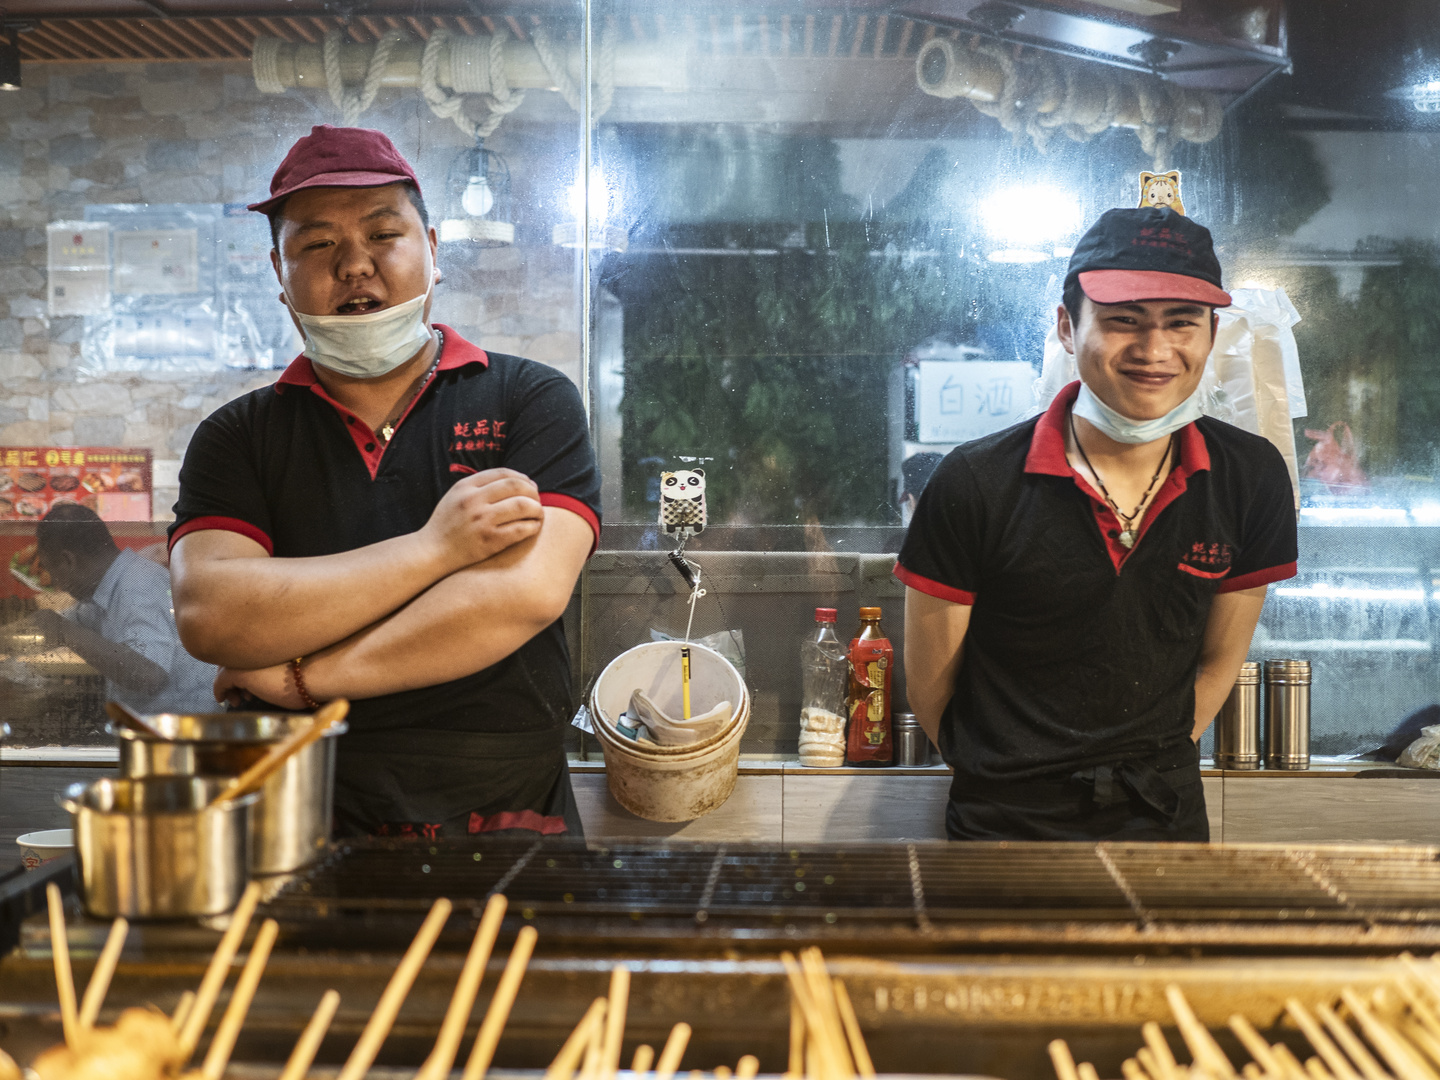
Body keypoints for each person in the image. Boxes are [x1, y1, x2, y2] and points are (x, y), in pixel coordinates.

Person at [167, 125, 600, 838]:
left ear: (432, 251)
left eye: (383, 234)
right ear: (279, 275)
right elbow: (215, 615)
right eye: (316, 245)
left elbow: (519, 596)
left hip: (504, 808)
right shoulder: (238, 436)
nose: (354, 266)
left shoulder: (529, 399)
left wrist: (303, 678)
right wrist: (437, 549)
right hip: (299, 809)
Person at [897, 207, 1298, 842]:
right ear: (1066, 326)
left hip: (1165, 820)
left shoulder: (1249, 476)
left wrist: (1148, 755)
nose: (1155, 350)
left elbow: (1220, 662)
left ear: (1212, 333)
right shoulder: (975, 482)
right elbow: (931, 691)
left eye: (1181, 323)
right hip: (1003, 829)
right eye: (1123, 321)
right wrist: (1016, 775)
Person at [30, 504, 218, 715]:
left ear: (68, 560)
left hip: (181, 735)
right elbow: (59, 623)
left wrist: (65, 632)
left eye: (52, 570)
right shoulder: (105, 590)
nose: (58, 585)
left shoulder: (138, 586)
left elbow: (149, 674)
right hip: (149, 729)